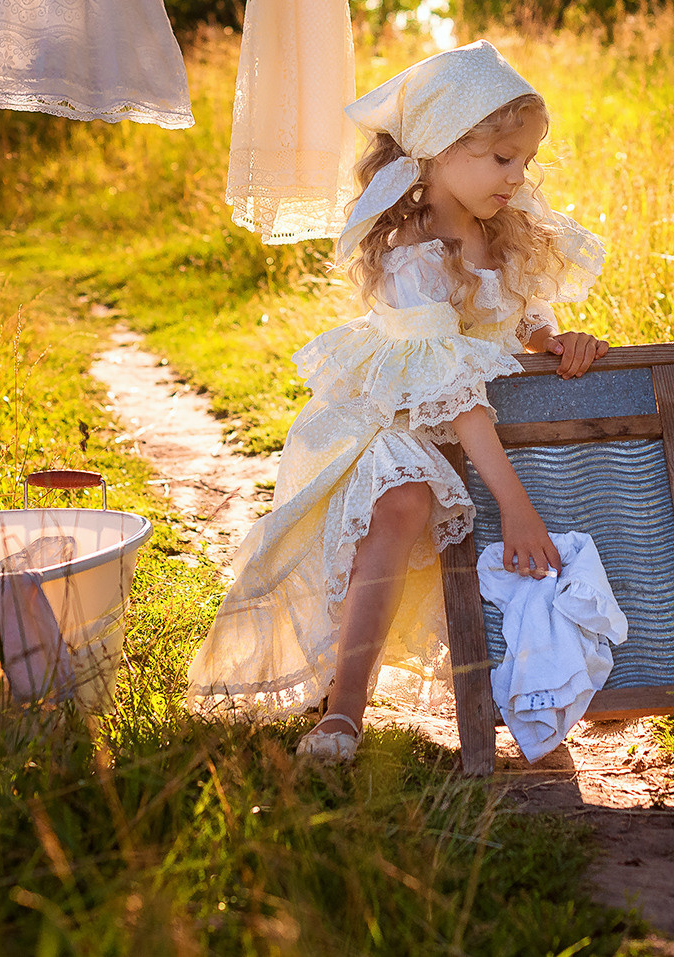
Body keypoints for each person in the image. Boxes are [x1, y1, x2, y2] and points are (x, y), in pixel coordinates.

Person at [184, 40, 610, 762]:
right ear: (440, 149)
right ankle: (344, 712)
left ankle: (548, 676)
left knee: (518, 491)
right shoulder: (413, 245)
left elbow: (512, 315)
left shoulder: (499, 232)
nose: (518, 176)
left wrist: (553, 338)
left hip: (470, 413)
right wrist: (514, 503)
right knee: (404, 499)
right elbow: (447, 387)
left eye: (525, 161)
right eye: (502, 157)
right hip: (395, 413)